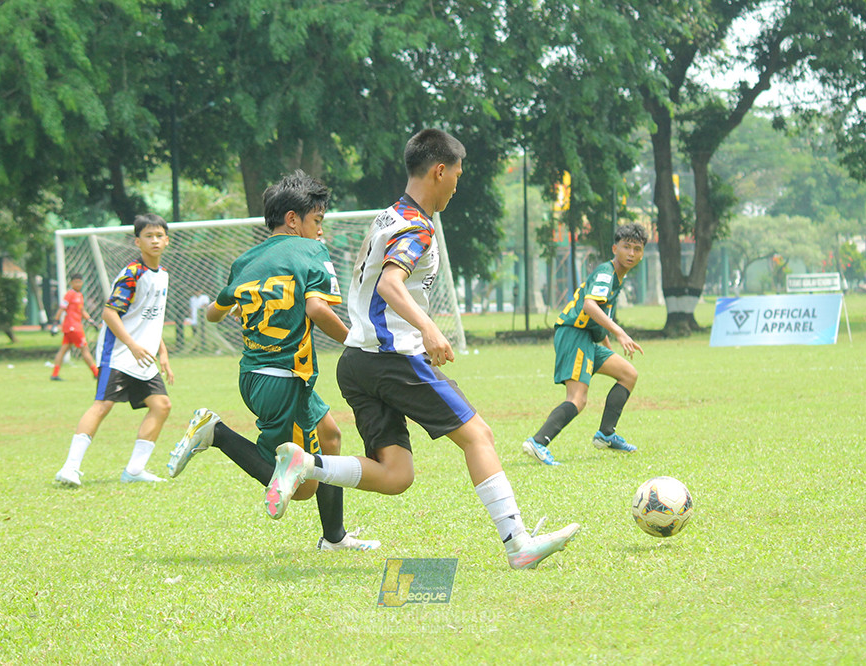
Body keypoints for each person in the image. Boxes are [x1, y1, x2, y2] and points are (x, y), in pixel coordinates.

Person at [264, 129, 579, 570]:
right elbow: (391, 283)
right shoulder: (417, 228)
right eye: (457, 174)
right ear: (439, 170)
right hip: (391, 359)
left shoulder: (387, 217)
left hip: (356, 361)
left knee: (396, 475)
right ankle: (518, 543)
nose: (457, 183)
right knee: (479, 436)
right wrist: (428, 329)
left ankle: (306, 463)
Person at [166, 170, 379, 552]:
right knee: (300, 487)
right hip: (285, 378)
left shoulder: (247, 259)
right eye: (317, 221)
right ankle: (215, 433)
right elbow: (316, 308)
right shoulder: (312, 251)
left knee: (330, 436)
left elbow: (213, 313)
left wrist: (246, 306)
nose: (320, 231)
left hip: (256, 375)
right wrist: (356, 341)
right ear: (293, 219)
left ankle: (334, 537)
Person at [55, 214, 174, 486]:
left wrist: (163, 352)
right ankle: (70, 468)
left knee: (161, 405)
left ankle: (134, 471)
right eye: (148, 236)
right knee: (103, 405)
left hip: (143, 356)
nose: (154, 240)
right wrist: (131, 345)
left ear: (166, 240)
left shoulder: (163, 275)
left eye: (159, 236)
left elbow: (151, 320)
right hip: (120, 354)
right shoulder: (133, 273)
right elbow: (109, 314)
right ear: (137, 241)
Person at [521, 222, 649, 466]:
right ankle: (538, 442)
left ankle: (606, 435)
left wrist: (609, 349)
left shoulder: (616, 278)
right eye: (626, 247)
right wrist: (621, 332)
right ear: (615, 248)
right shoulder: (606, 272)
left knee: (628, 374)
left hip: (587, 337)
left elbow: (598, 318)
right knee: (578, 398)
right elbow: (590, 306)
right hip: (573, 334)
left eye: (637, 249)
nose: (631, 253)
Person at [49, 273, 99, 380]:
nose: (78, 284)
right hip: (73, 327)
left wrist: (91, 321)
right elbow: (61, 308)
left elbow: (82, 310)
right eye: (75, 282)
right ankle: (96, 373)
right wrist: (55, 323)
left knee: (63, 350)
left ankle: (54, 374)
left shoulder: (79, 295)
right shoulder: (69, 295)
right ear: (71, 283)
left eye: (80, 282)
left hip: (73, 327)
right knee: (85, 349)